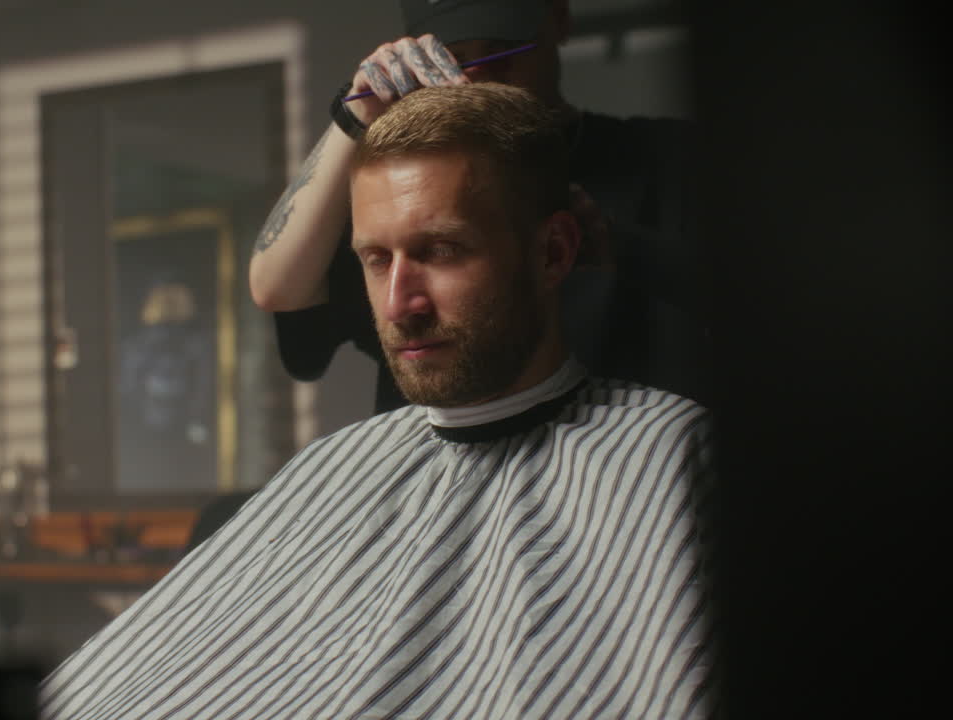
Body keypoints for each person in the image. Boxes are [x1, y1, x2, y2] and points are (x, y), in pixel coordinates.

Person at [39, 83, 714, 720]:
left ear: (553, 252)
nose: (399, 305)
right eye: (376, 259)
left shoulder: (677, 458)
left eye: (441, 251)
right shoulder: (328, 470)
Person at [251, 0, 707, 414]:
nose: (481, 74)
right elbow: (276, 287)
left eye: (503, 49)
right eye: (454, 58)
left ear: (558, 18)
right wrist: (355, 114)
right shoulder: (400, 202)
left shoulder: (670, 158)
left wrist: (618, 245)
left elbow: (758, 309)